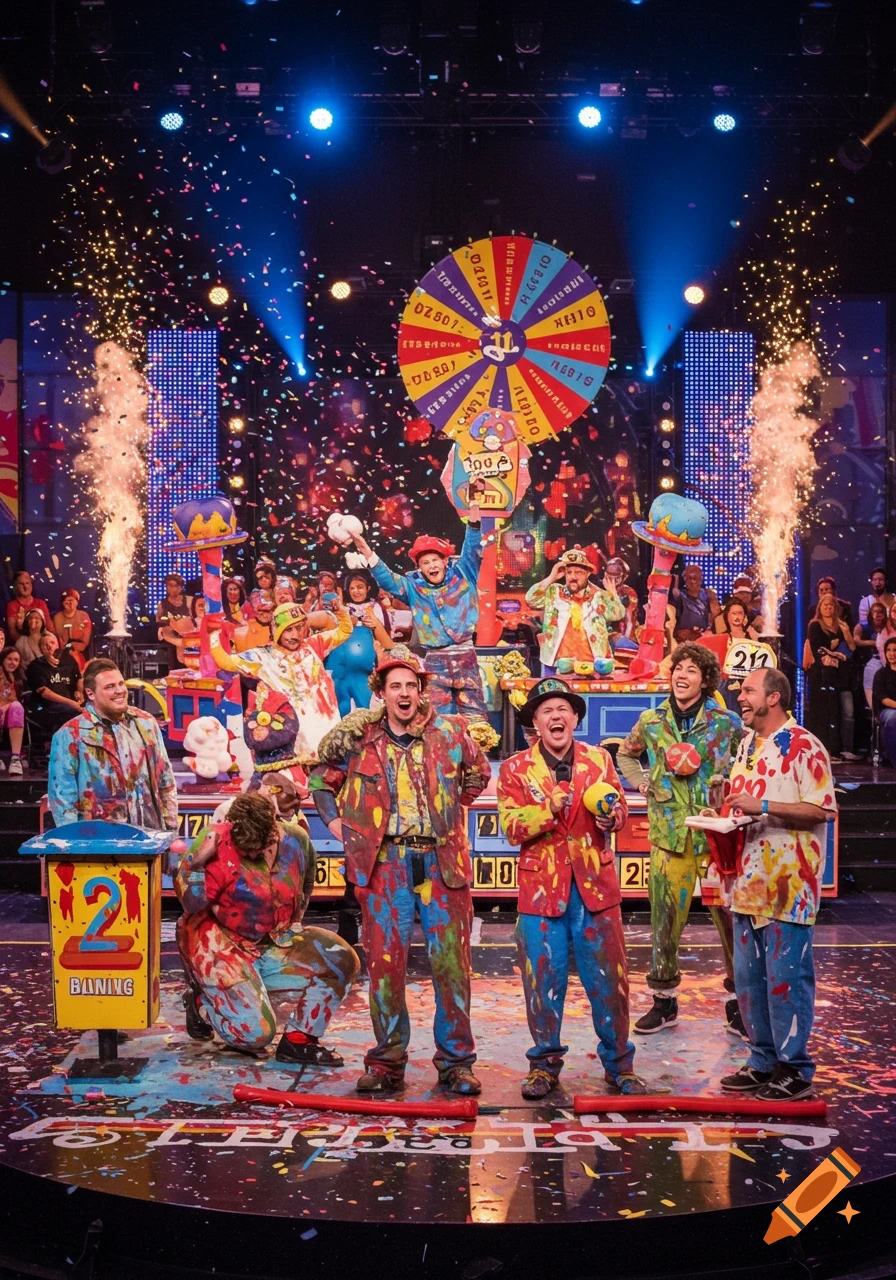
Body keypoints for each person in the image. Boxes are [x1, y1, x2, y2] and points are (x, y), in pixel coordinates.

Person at [309, 647, 490, 1095]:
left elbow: (478, 775)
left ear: (422, 691)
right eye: (396, 686)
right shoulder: (359, 738)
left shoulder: (451, 732)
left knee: (451, 965)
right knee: (385, 965)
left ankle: (456, 1063)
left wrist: (451, 811)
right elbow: (319, 779)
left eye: (411, 685)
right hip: (385, 864)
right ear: (382, 693)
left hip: (440, 864)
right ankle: (387, 1061)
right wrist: (337, 824)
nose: (404, 693)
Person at [497, 679, 645, 1098]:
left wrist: (610, 819)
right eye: (547, 711)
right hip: (541, 891)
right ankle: (544, 1065)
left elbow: (620, 809)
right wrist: (548, 808)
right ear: (535, 724)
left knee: (610, 982)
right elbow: (510, 827)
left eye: (563, 709)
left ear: (575, 718)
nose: (556, 717)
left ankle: (619, 1065)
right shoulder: (514, 768)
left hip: (595, 888)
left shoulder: (600, 760)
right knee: (543, 981)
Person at [617, 644, 746, 1035]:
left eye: (691, 670)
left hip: (716, 838)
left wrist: (731, 787)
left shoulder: (727, 723)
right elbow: (625, 755)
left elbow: (750, 760)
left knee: (729, 922)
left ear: (705, 679)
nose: (681, 675)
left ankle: (740, 1003)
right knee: (664, 921)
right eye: (677, 668)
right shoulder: (652, 720)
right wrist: (642, 783)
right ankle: (663, 1000)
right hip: (670, 837)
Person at [720, 668, 836, 1101]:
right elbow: (745, 803)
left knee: (787, 980)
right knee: (750, 983)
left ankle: (795, 1067)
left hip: (788, 885)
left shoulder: (805, 744)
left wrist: (763, 805)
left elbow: (821, 809)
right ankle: (762, 1060)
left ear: (773, 697)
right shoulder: (748, 743)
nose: (740, 697)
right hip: (747, 883)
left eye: (748, 690)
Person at [174, 791, 359, 1059]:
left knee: (341, 960)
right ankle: (204, 1000)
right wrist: (198, 862)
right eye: (246, 850)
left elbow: (306, 879)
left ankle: (298, 1039)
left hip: (274, 939)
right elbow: (191, 904)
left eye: (259, 847)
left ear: (274, 827)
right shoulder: (214, 838)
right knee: (256, 1035)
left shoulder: (296, 839)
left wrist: (294, 922)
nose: (252, 853)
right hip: (224, 944)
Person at [349, 508, 488, 720]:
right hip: (434, 661)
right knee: (437, 721)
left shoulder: (463, 574)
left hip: (466, 657)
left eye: (435, 559)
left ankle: (476, 753)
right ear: (420, 567)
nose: (431, 565)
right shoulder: (413, 588)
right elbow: (387, 579)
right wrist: (367, 551)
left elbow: (472, 546)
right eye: (425, 562)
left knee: (476, 719)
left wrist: (475, 506)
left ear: (445, 561)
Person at [210, 599, 352, 766]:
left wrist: (341, 613)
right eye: (289, 629)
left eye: (299, 628)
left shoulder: (314, 645)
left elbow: (344, 631)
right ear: (277, 631)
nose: (295, 635)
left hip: (325, 731)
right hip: (292, 740)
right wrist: (213, 635)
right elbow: (225, 662)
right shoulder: (263, 657)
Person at [48, 657, 177, 829]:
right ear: (90, 693)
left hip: (150, 839)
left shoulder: (147, 723)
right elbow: (63, 801)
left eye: (120, 684)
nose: (120, 691)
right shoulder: (70, 735)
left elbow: (165, 780)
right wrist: (77, 849)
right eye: (110, 686)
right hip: (97, 846)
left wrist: (171, 831)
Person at [525, 547, 624, 675]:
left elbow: (618, 614)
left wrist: (612, 593)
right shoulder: (554, 592)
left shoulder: (598, 596)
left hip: (592, 664)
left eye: (578, 572)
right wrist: (551, 577)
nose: (573, 577)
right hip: (557, 664)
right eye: (569, 572)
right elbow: (531, 599)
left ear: (588, 573)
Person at [325, 570, 393, 717]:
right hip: (339, 674)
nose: (356, 591)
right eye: (352, 588)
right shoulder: (341, 608)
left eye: (360, 587)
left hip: (364, 674)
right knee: (340, 711)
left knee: (366, 712)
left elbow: (387, 641)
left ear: (368, 588)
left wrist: (374, 625)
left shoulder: (375, 608)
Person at [805, 595, 858, 762]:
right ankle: (823, 749)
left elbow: (851, 648)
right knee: (823, 711)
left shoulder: (841, 625)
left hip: (838, 674)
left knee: (836, 712)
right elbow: (818, 649)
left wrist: (846, 633)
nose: (828, 607)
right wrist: (832, 648)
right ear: (819, 607)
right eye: (825, 604)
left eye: (831, 605)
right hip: (821, 674)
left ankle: (836, 750)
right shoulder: (815, 625)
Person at [26, 632, 83, 750]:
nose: (49, 646)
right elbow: (44, 692)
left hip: (72, 704)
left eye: (52, 643)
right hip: (46, 707)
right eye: (44, 644)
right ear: (40, 649)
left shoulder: (68, 660)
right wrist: (70, 702)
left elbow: (79, 679)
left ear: (58, 645)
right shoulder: (36, 666)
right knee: (73, 712)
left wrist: (79, 691)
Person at [671, 564, 720, 642]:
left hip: (703, 636)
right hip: (683, 638)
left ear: (701, 579)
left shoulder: (708, 595)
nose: (693, 581)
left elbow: (716, 617)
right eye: (689, 578)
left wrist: (714, 600)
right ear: (684, 579)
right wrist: (677, 632)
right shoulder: (680, 596)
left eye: (695, 578)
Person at [854, 600, 889, 709]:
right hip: (872, 661)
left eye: (880, 612)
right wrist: (875, 643)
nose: (877, 615)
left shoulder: (889, 627)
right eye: (874, 612)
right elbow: (856, 639)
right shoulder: (866, 626)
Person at [156, 574, 193, 671]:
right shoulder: (162, 604)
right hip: (171, 637)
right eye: (170, 585)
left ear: (181, 587)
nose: (173, 589)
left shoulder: (189, 601)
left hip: (188, 636)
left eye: (176, 586)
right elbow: (159, 620)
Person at [0, 647, 26, 775]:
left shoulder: (18, 678)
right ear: (3, 660)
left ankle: (15, 758)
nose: (13, 663)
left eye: (16, 660)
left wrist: (7, 706)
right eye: (9, 659)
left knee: (17, 707)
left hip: (9, 715)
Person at [604, 556, 639, 651]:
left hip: (623, 636)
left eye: (616, 576)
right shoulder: (601, 593)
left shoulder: (629, 592)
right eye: (609, 575)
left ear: (624, 576)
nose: (612, 579)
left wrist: (624, 644)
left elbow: (629, 622)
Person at [52, 589, 92, 672]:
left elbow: (85, 640)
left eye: (72, 600)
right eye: (66, 600)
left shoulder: (83, 616)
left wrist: (74, 646)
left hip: (80, 653)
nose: (69, 603)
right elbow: (58, 638)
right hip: (62, 654)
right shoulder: (57, 617)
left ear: (77, 602)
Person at [6, 571, 52, 642]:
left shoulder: (40, 603)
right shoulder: (12, 606)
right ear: (15, 586)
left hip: (42, 643)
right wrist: (25, 645)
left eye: (28, 583)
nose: (25, 586)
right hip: (22, 645)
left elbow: (49, 626)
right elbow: (13, 631)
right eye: (21, 584)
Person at [872, 637, 896, 767]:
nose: (891, 653)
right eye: (889, 650)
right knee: (893, 717)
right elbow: (882, 698)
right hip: (887, 710)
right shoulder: (881, 674)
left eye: (895, 650)